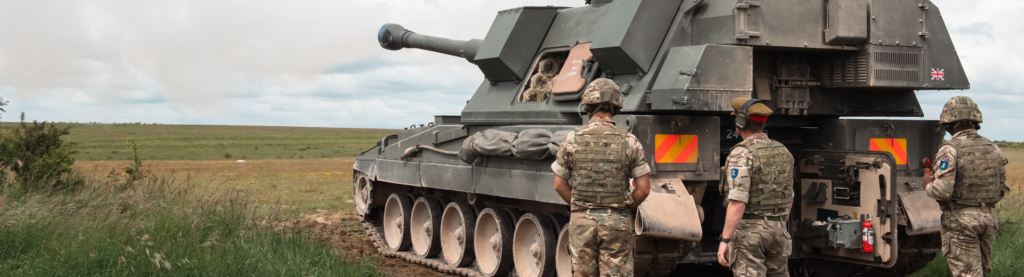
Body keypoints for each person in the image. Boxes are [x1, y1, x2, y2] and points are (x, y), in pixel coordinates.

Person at [552, 78, 651, 277]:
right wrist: (625, 208)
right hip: (617, 220)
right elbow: (644, 189)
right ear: (615, 107)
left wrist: (579, 206)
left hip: (581, 222)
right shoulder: (630, 141)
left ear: (588, 105)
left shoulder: (572, 139)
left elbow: (559, 184)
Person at [922, 96, 1009, 277]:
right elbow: (1001, 188)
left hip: (960, 220)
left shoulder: (950, 149)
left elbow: (942, 191)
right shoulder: (994, 148)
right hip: (988, 218)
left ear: (949, 122)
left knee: (968, 274)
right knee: (981, 272)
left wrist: (927, 185)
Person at [716, 98, 794, 277]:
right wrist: (777, 225)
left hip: (750, 234)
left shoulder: (741, 154)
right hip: (779, 231)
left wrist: (725, 239)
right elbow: (789, 198)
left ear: (740, 122)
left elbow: (738, 203)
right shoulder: (783, 151)